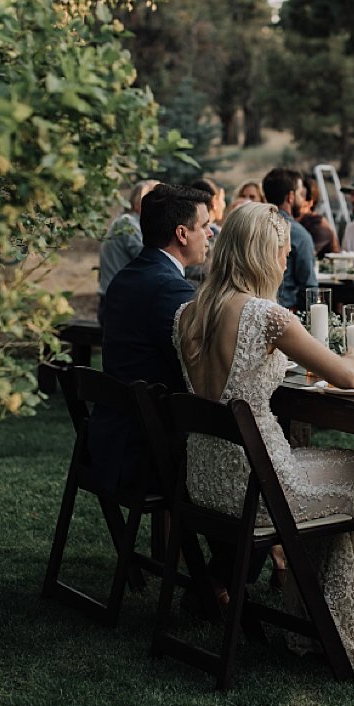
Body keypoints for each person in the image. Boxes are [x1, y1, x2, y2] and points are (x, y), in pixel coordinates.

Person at [173, 200, 354, 669]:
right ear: (264, 255)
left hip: (208, 483)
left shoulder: (187, 313)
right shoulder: (268, 316)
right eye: (283, 251)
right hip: (263, 486)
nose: (287, 260)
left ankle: (327, 610)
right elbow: (347, 378)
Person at [89, 184, 213, 488]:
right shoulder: (170, 290)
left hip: (111, 437)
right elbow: (196, 370)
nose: (210, 235)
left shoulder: (127, 277)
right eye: (206, 226)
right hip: (146, 449)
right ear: (182, 234)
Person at [98, 179, 159, 324]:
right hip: (118, 305)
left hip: (119, 302)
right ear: (140, 203)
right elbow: (150, 258)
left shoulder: (130, 222)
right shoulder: (127, 223)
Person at [262, 167, 317, 311]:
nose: (302, 199)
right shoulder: (299, 234)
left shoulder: (254, 225)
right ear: (290, 197)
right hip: (285, 311)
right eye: (300, 193)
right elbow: (309, 287)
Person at [298, 174, 338, 258]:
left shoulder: (319, 225)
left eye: (299, 196)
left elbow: (303, 257)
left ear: (309, 202)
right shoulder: (298, 222)